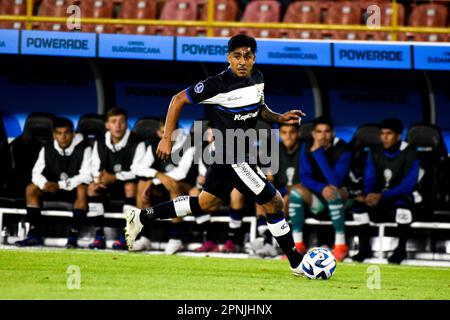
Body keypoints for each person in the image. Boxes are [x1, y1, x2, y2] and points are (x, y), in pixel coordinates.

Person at [125, 34, 306, 276]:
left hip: (236, 155)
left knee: (205, 204)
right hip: (230, 155)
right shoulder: (216, 84)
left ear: (254, 59)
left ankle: (141, 216)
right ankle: (297, 263)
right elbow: (177, 99)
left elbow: (259, 110)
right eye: (237, 56)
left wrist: (279, 117)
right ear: (229, 57)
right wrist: (167, 138)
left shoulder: (258, 78)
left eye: (248, 56)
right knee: (274, 202)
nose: (242, 61)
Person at [15, 117, 92, 248]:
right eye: (59, 133)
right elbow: (36, 173)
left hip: (73, 190)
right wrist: (44, 184)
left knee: (83, 188)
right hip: (52, 189)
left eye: (66, 133)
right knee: (31, 189)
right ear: (54, 135)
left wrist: (60, 185)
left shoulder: (84, 148)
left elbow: (86, 176)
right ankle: (33, 235)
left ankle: (73, 236)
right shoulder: (47, 148)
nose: (63, 137)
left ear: (72, 133)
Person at [351, 118, 419, 264]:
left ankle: (401, 250)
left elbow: (408, 185)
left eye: (389, 133)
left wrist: (381, 195)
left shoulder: (410, 152)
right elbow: (369, 177)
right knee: (358, 206)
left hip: (400, 196)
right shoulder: (374, 150)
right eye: (382, 133)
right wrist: (369, 195)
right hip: (379, 197)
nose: (385, 137)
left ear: (399, 136)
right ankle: (364, 248)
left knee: (403, 208)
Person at [288, 116, 352, 261]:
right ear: (313, 134)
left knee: (334, 191)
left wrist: (318, 153)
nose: (323, 135)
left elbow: (335, 181)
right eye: (319, 132)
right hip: (318, 199)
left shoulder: (344, 149)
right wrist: (321, 187)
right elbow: (304, 178)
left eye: (327, 131)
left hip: (343, 200)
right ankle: (297, 245)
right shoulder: (306, 146)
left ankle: (341, 246)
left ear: (333, 133)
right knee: (296, 193)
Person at [133, 118, 197, 254]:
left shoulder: (189, 146)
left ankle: (175, 238)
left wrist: (156, 179)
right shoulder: (154, 146)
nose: (167, 136)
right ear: (158, 133)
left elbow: (181, 173)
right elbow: (138, 168)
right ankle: (145, 237)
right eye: (164, 132)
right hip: (161, 185)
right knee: (142, 184)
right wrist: (157, 175)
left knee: (174, 185)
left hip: (185, 186)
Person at [88, 107, 146, 250]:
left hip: (128, 184)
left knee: (130, 187)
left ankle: (126, 236)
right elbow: (94, 167)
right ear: (107, 125)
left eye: (121, 121)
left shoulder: (138, 142)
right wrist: (98, 180)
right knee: (91, 188)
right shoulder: (99, 143)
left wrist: (114, 177)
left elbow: (138, 171)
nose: (118, 125)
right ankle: (98, 236)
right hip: (107, 185)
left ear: (127, 124)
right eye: (114, 122)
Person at [246, 123, 301, 257]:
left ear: (298, 134)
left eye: (292, 132)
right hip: (282, 188)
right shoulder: (274, 150)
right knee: (261, 195)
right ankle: (265, 238)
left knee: (286, 198)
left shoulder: (304, 149)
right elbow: (270, 176)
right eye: (284, 132)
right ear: (280, 134)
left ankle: (273, 242)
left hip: (299, 191)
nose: (288, 136)